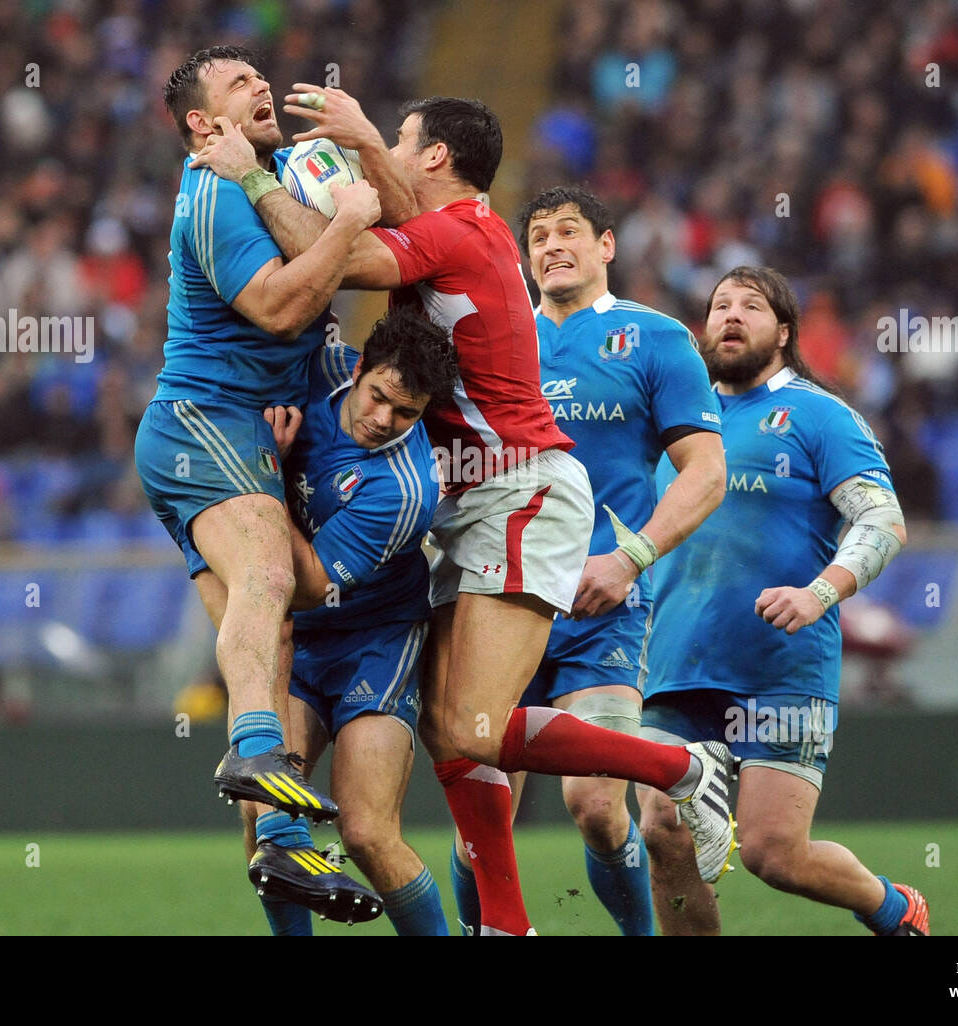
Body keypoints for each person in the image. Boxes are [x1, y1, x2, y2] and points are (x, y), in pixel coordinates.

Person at [191, 90, 735, 937]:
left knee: (468, 726)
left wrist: (253, 183)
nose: (389, 161)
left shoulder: (465, 231)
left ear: (436, 155)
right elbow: (393, 219)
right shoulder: (447, 235)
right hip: (472, 503)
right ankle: (507, 926)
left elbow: (334, 260)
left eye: (403, 144)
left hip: (519, 488)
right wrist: (370, 143)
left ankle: (678, 767)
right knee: (454, 738)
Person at [136, 46, 392, 913]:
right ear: (202, 126)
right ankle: (249, 751)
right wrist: (348, 223)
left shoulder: (272, 176)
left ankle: (281, 845)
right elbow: (283, 305)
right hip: (203, 419)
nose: (261, 87)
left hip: (238, 431)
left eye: (258, 76)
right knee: (273, 577)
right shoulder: (211, 188)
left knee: (269, 644)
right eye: (238, 83)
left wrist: (363, 170)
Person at [446, 186, 726, 936]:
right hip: (500, 593)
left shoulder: (657, 339)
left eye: (570, 231)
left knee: (596, 808)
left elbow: (706, 471)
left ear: (608, 245)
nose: (551, 246)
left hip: (603, 602)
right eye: (537, 235)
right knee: (480, 808)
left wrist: (629, 560)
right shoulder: (492, 338)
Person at [635, 266, 930, 936]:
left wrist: (820, 593)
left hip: (780, 667)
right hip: (676, 662)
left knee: (773, 854)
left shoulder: (822, 415)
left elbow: (883, 522)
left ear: (785, 331)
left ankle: (893, 907)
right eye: (719, 305)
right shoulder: (678, 428)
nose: (731, 315)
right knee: (662, 829)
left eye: (751, 305)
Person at [243, 306, 458, 935]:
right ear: (359, 368)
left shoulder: (404, 489)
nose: (384, 421)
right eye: (380, 398)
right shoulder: (320, 367)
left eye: (407, 414)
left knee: (365, 831)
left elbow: (310, 585)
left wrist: (268, 477)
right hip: (296, 643)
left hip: (375, 641)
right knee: (265, 815)